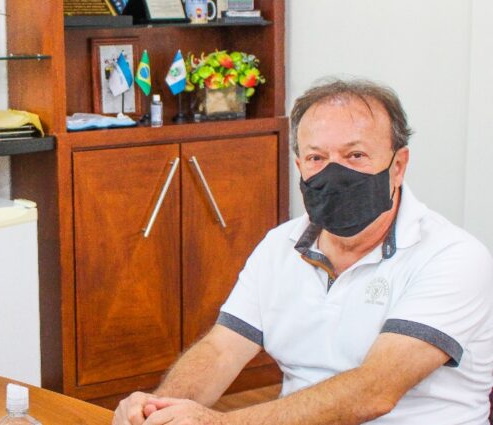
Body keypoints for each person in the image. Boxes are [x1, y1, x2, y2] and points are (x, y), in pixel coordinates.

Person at [114, 78, 493, 424]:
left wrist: (219, 423)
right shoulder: (279, 245)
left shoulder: (454, 257)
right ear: (300, 166)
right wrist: (159, 409)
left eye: (355, 155)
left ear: (398, 166)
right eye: (316, 158)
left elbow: (374, 391)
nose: (334, 173)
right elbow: (221, 350)